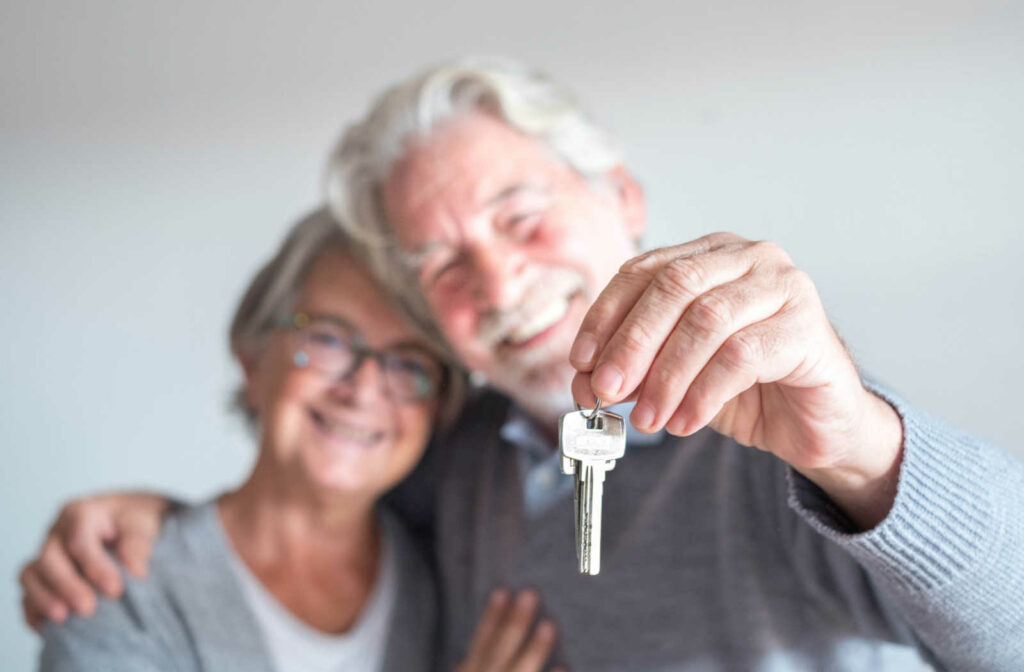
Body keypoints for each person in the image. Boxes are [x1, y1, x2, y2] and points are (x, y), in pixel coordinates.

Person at [22, 58, 1024, 670]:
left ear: (621, 196)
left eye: (521, 218)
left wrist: (857, 445)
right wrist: (157, 514)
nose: (498, 287)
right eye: (443, 265)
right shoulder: (450, 468)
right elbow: (296, 509)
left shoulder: (791, 427)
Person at [31, 209, 561, 672]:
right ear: (253, 356)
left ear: (438, 409)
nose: (362, 389)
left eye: (409, 364)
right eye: (328, 338)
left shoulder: (449, 572)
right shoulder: (118, 585)